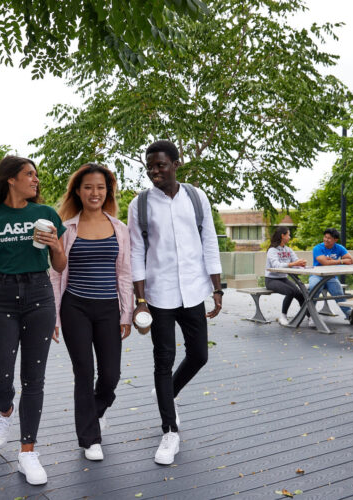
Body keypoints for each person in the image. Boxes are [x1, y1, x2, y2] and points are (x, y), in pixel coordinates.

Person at [0, 155, 66, 486]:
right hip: (2, 297)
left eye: (37, 175)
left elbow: (61, 265)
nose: (36, 180)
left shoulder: (46, 215)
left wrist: (54, 246)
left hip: (39, 294)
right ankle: (5, 410)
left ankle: (28, 452)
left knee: (34, 378)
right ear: (11, 179)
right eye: (29, 174)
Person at [128, 140, 223, 465]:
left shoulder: (197, 197)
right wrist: (140, 300)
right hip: (160, 294)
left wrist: (217, 288)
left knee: (199, 355)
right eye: (150, 166)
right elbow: (136, 254)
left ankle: (168, 392)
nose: (154, 171)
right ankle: (170, 432)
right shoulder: (139, 205)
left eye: (160, 165)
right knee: (163, 360)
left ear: (176, 164)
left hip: (194, 291)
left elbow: (209, 241)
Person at [50, 163, 133, 462]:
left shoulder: (119, 228)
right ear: (77, 191)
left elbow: (124, 274)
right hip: (75, 307)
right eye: (88, 187)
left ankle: (96, 412)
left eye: (100, 187)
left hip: (109, 308)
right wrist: (54, 318)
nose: (94, 192)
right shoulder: (66, 227)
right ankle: (89, 439)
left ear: (108, 191)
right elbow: (56, 275)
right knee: (84, 373)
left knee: (110, 375)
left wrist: (127, 313)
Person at [309, 228, 353, 324]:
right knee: (314, 288)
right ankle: (311, 315)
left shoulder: (339, 247)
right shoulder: (317, 248)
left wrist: (330, 261)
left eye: (329, 238)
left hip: (331, 276)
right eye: (325, 237)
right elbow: (324, 263)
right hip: (317, 275)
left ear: (335, 240)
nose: (326, 240)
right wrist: (341, 261)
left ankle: (349, 314)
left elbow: (351, 261)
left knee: (339, 293)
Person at [265, 226, 308, 326]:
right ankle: (283, 316)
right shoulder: (272, 250)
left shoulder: (288, 250)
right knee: (290, 292)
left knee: (301, 294)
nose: (290, 237)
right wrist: (293, 264)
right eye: (288, 234)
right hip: (271, 280)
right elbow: (276, 266)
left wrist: (302, 265)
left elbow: (296, 262)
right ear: (282, 236)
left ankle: (310, 317)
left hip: (283, 279)